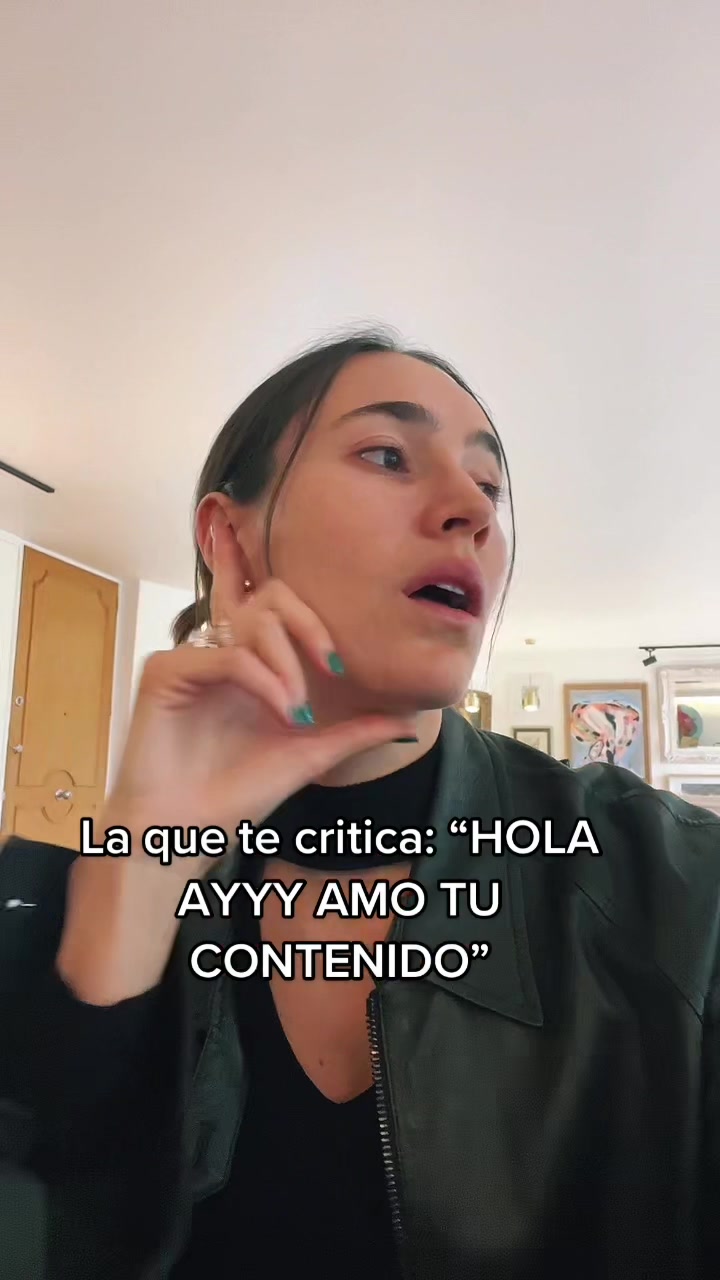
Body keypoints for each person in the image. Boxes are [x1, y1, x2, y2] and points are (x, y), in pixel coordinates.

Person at [0, 329, 719, 1280]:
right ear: (232, 541)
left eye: (490, 486)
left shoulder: (677, 885)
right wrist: (135, 873)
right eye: (387, 454)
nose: (474, 511)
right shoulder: (45, 910)